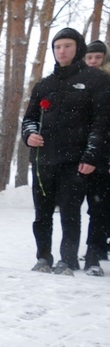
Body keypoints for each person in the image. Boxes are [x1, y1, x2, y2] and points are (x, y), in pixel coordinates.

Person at [22, 28, 109, 276]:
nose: (62, 51)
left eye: (68, 45)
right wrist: (30, 135)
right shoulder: (44, 85)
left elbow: (101, 122)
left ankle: (68, 259)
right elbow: (29, 119)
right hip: (44, 160)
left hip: (76, 161)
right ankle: (43, 257)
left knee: (71, 212)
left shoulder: (95, 80)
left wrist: (91, 156)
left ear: (78, 48)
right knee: (42, 213)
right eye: (58, 46)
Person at [82, 40, 110, 274]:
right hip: (78, 153)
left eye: (97, 58)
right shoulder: (77, 83)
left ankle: (97, 247)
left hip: (102, 155)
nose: (93, 62)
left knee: (99, 207)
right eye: (89, 58)